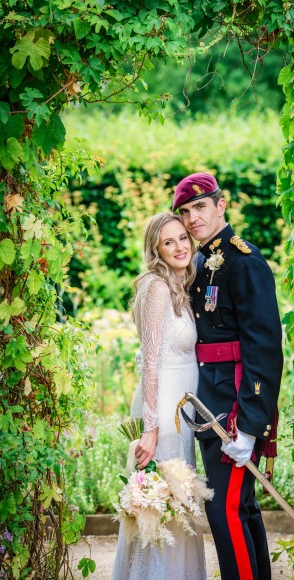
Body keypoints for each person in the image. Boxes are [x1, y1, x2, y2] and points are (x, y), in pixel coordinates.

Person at [173, 173, 283, 580]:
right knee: (241, 508)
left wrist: (252, 425)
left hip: (236, 409)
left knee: (225, 510)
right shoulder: (199, 261)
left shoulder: (245, 261)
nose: (192, 218)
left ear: (221, 205)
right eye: (184, 212)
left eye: (200, 206)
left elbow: (265, 349)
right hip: (211, 404)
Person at [111, 212, 207, 580]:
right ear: (156, 249)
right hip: (162, 414)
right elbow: (150, 362)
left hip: (180, 415)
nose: (180, 246)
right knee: (161, 509)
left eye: (183, 237)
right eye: (169, 242)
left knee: (177, 507)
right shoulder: (155, 287)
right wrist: (150, 429)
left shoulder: (178, 286)